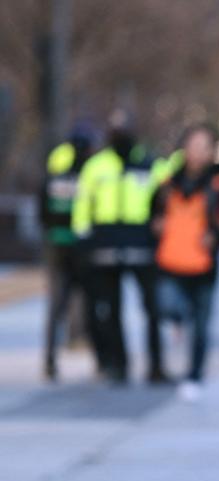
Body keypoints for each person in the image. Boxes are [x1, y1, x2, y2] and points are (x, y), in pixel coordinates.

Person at [72, 117, 167, 385]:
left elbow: (167, 199)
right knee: (110, 310)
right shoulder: (96, 167)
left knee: (153, 310)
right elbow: (83, 205)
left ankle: (156, 365)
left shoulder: (152, 164)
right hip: (105, 247)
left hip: (143, 244)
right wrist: (84, 241)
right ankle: (118, 364)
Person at [150, 124, 219, 401]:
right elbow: (150, 214)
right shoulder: (167, 183)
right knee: (167, 306)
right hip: (170, 260)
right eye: (193, 145)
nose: (198, 152)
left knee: (201, 324)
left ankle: (195, 375)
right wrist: (156, 226)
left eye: (204, 147)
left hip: (204, 265)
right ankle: (178, 321)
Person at [41, 128, 96, 381]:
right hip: (80, 249)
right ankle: (100, 358)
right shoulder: (89, 178)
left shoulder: (54, 178)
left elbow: (43, 213)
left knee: (56, 307)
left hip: (56, 247)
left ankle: (50, 360)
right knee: (90, 302)